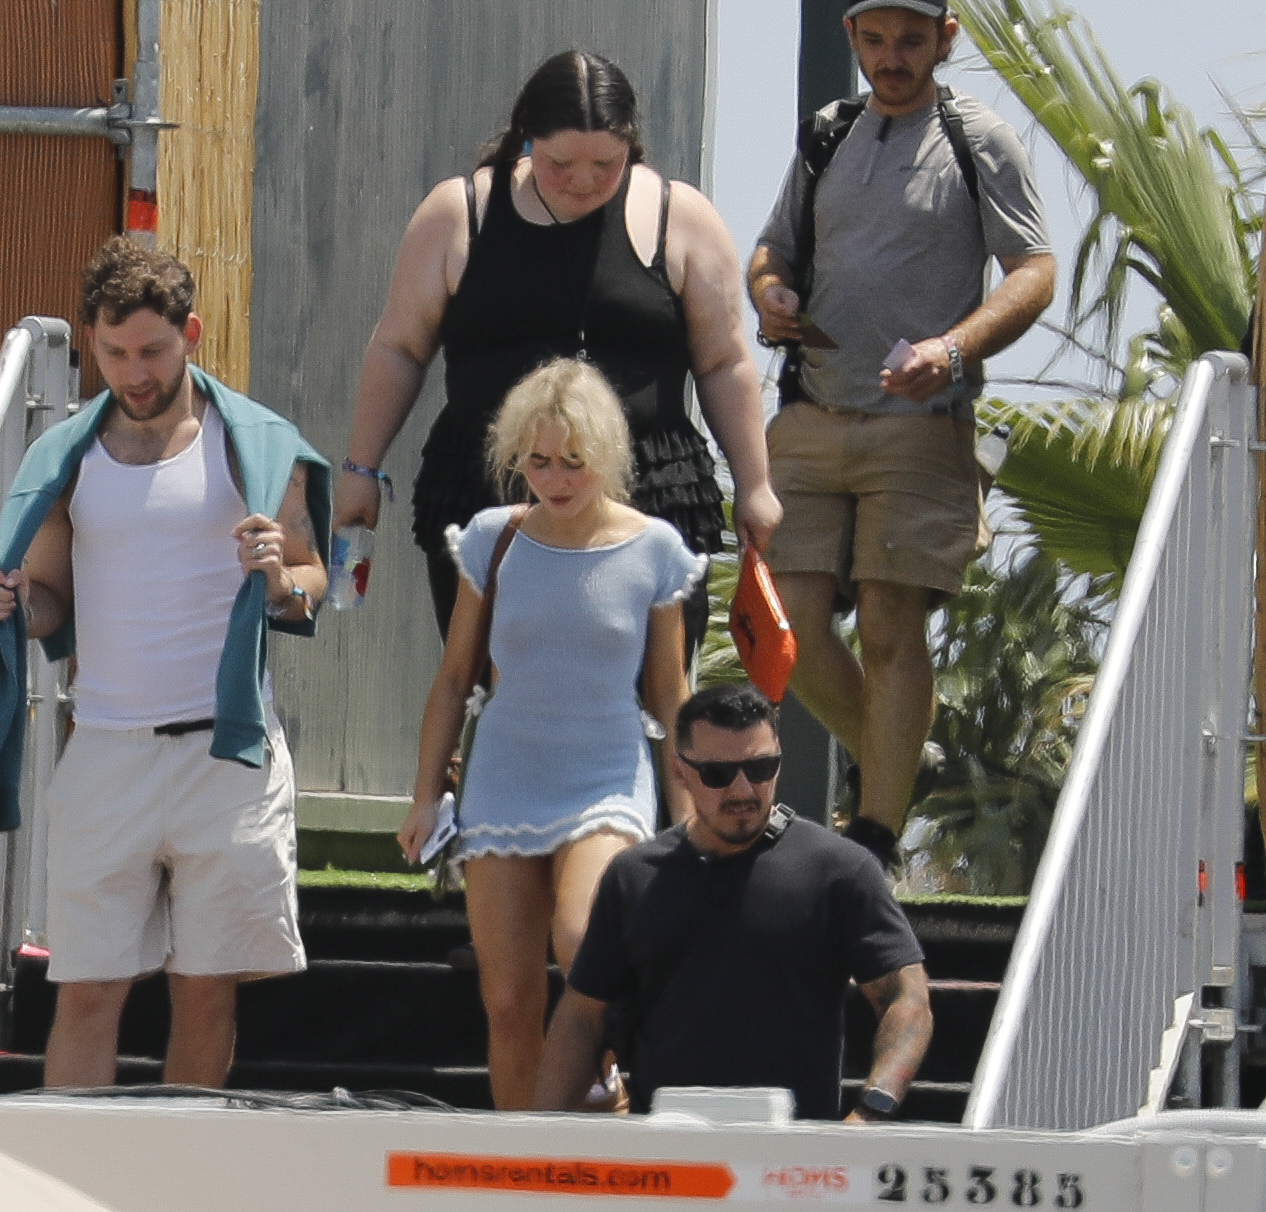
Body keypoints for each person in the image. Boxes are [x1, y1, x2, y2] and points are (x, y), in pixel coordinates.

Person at [0, 236, 332, 1088]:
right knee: (85, 992)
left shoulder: (256, 443)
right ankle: (69, 1163)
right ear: (91, 345)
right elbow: (52, 601)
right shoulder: (66, 456)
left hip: (228, 751)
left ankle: (185, 1161)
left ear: (190, 334)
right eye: (114, 353)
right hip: (106, 746)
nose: (134, 373)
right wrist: (14, 604)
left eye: (152, 351)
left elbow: (312, 580)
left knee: (205, 991)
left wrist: (280, 580)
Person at [747, 0, 1056, 867]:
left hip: (921, 425)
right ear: (851, 36)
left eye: (911, 41)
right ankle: (901, 756)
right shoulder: (827, 132)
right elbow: (770, 250)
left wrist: (952, 350)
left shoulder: (977, 138)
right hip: (810, 413)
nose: (891, 57)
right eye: (875, 40)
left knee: (889, 624)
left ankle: (874, 840)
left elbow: (1033, 270)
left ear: (945, 40)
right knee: (786, 626)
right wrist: (768, 295)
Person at [337, 48, 779, 653]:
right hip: (491, 489)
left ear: (632, 145)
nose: (584, 180)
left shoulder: (681, 217)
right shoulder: (458, 213)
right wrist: (361, 470)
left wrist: (755, 484)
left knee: (651, 691)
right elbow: (400, 348)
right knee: (495, 683)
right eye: (560, 163)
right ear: (526, 141)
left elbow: (723, 362)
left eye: (606, 163)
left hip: (647, 491)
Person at [396, 358, 704, 1110]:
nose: (554, 478)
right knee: (507, 1002)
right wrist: (425, 796)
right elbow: (454, 678)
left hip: (607, 772)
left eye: (573, 460)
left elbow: (670, 697)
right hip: (505, 771)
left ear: (608, 453)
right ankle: (521, 1160)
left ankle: (607, 1089)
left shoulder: (654, 548)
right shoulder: (492, 538)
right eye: (537, 461)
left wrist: (691, 819)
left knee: (581, 941)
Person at [534, 683, 934, 1121]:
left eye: (761, 768)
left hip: (791, 1151)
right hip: (668, 1147)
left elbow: (907, 998)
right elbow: (582, 1016)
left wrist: (873, 1110)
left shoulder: (839, 869)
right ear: (680, 772)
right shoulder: (634, 876)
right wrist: (543, 1133)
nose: (743, 789)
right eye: (718, 774)